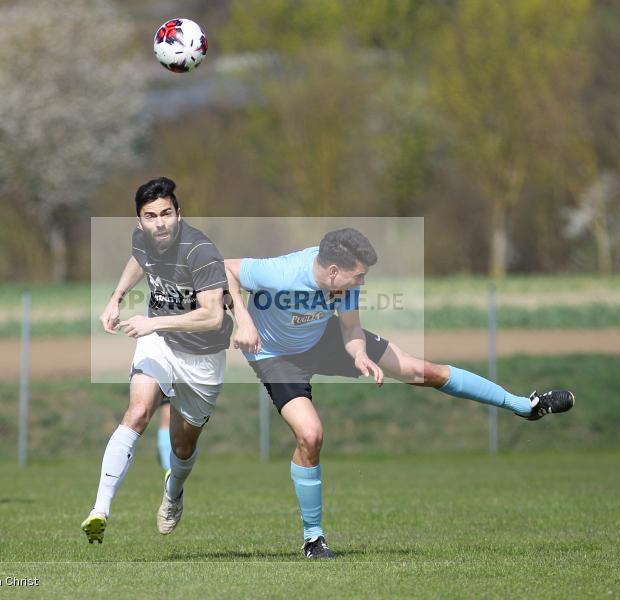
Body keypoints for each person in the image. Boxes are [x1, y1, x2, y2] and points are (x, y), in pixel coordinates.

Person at [224, 228, 575, 559]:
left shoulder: (343, 285)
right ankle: (313, 538)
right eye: (359, 276)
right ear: (333, 271)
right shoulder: (282, 274)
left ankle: (525, 406)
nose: (363, 282)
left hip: (321, 339)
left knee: (425, 371)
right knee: (311, 435)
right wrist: (243, 317)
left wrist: (360, 354)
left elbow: (350, 330)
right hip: (275, 355)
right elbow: (226, 268)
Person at [81, 176, 232, 543]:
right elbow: (139, 261)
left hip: (202, 357)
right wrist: (115, 298)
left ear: (179, 214)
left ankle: (173, 492)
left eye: (166, 213)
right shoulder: (142, 241)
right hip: (159, 343)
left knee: (183, 446)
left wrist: (153, 322)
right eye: (150, 216)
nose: (159, 222)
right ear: (140, 222)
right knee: (137, 411)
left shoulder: (200, 252)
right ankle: (99, 510)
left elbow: (213, 316)